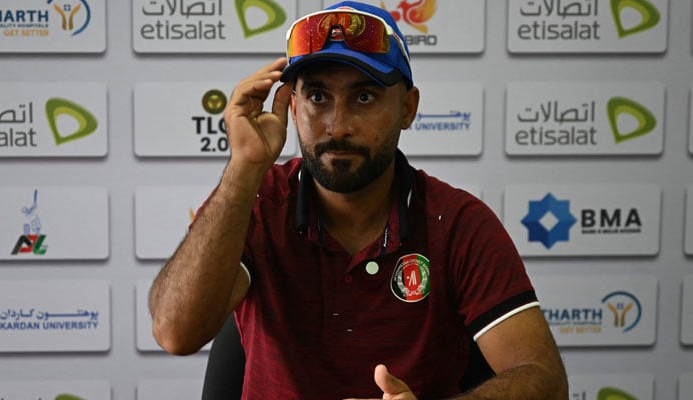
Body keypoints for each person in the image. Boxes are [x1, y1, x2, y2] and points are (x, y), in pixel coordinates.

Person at [149, 2, 568, 399]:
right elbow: (175, 333)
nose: (338, 125)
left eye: (364, 97)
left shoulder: (457, 222)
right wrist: (244, 168)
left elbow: (544, 378)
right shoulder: (256, 202)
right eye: (317, 97)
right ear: (292, 108)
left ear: (407, 108)